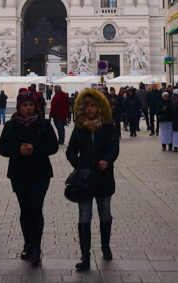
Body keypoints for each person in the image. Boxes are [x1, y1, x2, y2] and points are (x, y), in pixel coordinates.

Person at [0, 91, 59, 267]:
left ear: (35, 106)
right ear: (19, 107)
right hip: (19, 173)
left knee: (36, 209)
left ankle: (36, 248)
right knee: (25, 210)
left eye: (30, 105)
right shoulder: (10, 126)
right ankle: (28, 244)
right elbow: (3, 149)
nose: (27, 108)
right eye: (24, 105)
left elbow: (53, 147)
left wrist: (35, 148)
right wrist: (18, 150)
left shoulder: (44, 124)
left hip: (40, 173)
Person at [66, 88, 119, 271]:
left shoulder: (108, 127)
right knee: (84, 216)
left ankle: (105, 246)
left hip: (104, 176)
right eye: (87, 106)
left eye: (93, 106)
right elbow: (70, 150)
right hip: (85, 178)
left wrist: (108, 160)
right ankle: (85, 255)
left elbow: (114, 148)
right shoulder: (80, 128)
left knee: (105, 214)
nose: (90, 109)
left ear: (100, 107)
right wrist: (79, 164)